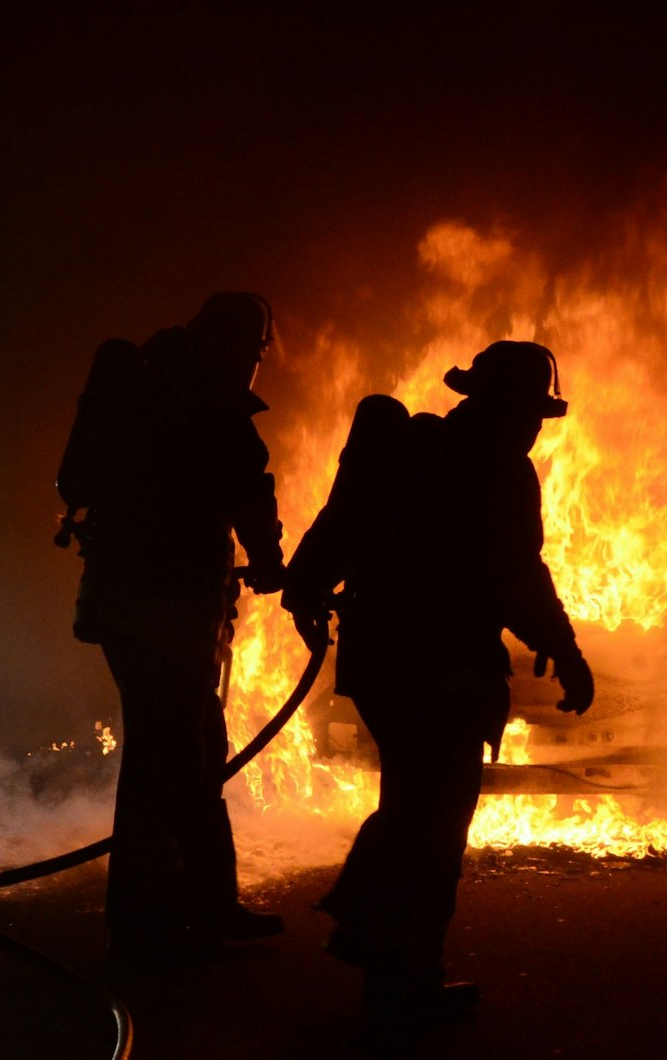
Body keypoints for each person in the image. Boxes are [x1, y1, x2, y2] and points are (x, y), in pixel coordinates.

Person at [282, 340, 596, 1034]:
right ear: (506, 406)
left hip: (380, 665)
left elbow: (339, 523)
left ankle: (375, 946)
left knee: (411, 808)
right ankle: (396, 974)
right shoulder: (500, 472)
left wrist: (303, 586)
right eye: (530, 411)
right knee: (432, 828)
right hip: (444, 669)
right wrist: (564, 650)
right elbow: (514, 575)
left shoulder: (403, 450)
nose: (534, 425)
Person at [55, 291, 289, 962]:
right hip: (170, 610)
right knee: (170, 755)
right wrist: (272, 566)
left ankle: (197, 905)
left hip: (120, 605)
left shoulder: (142, 396)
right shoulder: (210, 409)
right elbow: (249, 492)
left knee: (184, 748)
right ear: (231, 347)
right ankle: (146, 921)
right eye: (251, 353)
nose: (251, 366)